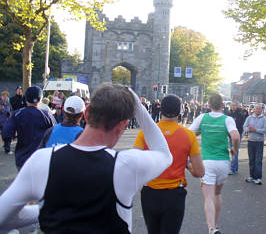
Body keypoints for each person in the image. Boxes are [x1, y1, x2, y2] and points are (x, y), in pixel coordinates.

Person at [0, 83, 172, 233]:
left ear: (87, 113)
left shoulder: (42, 160)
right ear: (123, 125)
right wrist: (138, 108)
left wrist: (41, 210)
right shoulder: (125, 166)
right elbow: (164, 154)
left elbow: (4, 214)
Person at [134, 94, 205, 234]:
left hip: (150, 192)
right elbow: (199, 172)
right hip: (174, 195)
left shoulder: (145, 133)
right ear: (180, 111)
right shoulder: (188, 135)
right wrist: (186, 164)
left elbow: (135, 163)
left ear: (160, 110)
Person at [190, 93, 240, 234]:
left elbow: (189, 134)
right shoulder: (227, 119)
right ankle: (215, 224)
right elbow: (235, 136)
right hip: (223, 161)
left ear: (209, 106)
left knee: (208, 197)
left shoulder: (202, 118)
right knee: (217, 194)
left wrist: (200, 133)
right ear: (223, 105)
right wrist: (234, 150)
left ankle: (211, 227)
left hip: (207, 162)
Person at [2, 86, 55, 169]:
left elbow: (6, 133)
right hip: (42, 157)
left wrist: (14, 136)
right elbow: (55, 133)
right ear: (40, 99)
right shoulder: (47, 115)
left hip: (23, 157)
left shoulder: (18, 114)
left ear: (26, 99)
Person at [243, 104, 266, 185]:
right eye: (256, 108)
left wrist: (255, 129)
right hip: (251, 141)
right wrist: (249, 129)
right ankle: (251, 176)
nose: (257, 110)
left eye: (259, 109)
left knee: (258, 160)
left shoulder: (264, 119)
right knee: (251, 160)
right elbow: (244, 127)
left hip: (259, 142)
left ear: (261, 110)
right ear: (254, 109)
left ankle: (258, 177)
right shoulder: (249, 118)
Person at [227, 102, 248, 175]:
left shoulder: (240, 114)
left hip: (237, 134)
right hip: (230, 135)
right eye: (232, 105)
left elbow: (241, 124)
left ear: (237, 106)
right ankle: (235, 168)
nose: (233, 106)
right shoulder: (229, 113)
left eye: (234, 105)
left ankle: (233, 168)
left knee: (235, 151)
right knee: (234, 151)